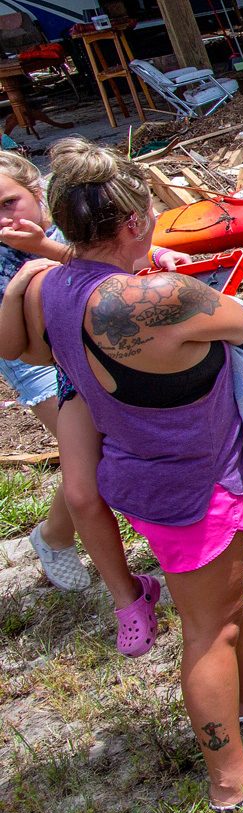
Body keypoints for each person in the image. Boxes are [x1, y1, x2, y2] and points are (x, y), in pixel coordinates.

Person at [3, 140, 243, 812]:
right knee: (210, 629)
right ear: (133, 224)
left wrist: (37, 259)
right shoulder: (159, 296)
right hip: (191, 488)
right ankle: (232, 779)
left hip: (147, 477)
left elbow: (18, 343)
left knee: (223, 610)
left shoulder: (56, 287)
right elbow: (241, 323)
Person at [0, 150, 165, 654]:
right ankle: (123, 593)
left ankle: (57, 537)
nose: (4, 218)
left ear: (41, 199)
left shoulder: (67, 231)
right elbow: (13, 342)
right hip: (46, 369)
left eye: (10, 201)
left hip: (91, 361)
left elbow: (115, 260)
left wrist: (159, 261)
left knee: (98, 469)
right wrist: (30, 274)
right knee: (85, 481)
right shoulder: (18, 258)